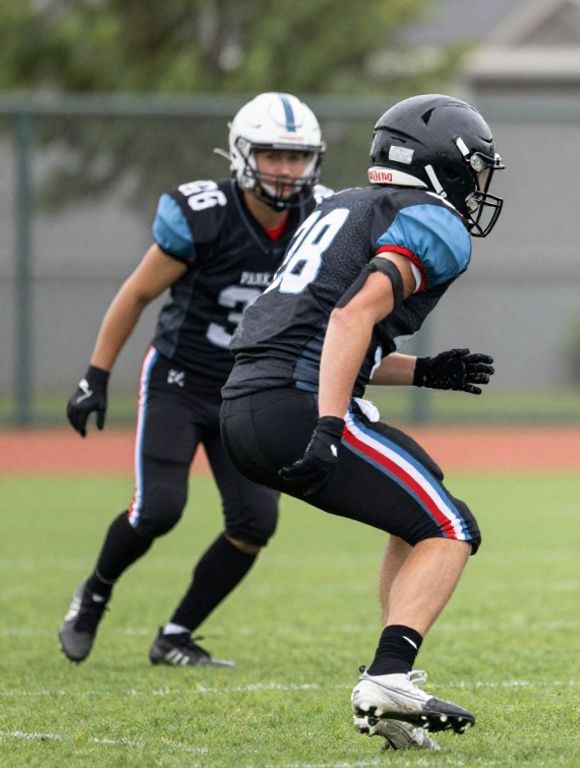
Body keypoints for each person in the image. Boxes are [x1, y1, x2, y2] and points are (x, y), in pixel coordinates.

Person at [218, 94, 502, 752]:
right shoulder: (435, 220)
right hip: (297, 406)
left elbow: (316, 329)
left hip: (243, 405)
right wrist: (326, 425)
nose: (478, 188)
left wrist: (423, 371)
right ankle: (390, 676)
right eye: (475, 170)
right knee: (451, 526)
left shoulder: (339, 205)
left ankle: (391, 693)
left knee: (420, 494)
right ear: (443, 166)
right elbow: (349, 319)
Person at [60, 92, 328, 669]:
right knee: (158, 509)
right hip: (180, 380)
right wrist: (95, 374)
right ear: (241, 153)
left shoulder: (320, 220)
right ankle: (95, 593)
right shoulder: (204, 213)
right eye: (272, 155)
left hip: (251, 390)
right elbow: (137, 293)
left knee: (256, 522)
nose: (284, 170)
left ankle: (175, 635)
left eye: (295, 157)